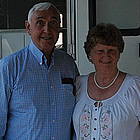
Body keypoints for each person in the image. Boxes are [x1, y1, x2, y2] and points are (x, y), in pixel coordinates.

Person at [0, 2, 79, 140]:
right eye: (40, 23)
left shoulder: (69, 64)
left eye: (53, 23)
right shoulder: (9, 67)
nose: (47, 30)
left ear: (59, 28)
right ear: (28, 27)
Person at [73, 23, 140, 140]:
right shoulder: (79, 85)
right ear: (90, 54)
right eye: (100, 51)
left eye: (112, 50)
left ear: (119, 54)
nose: (106, 56)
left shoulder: (134, 87)